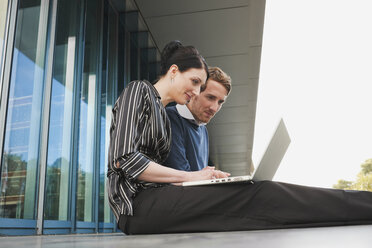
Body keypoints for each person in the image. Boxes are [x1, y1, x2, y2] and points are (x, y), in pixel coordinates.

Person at [107, 40, 372, 235]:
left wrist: (210, 178)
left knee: (257, 201)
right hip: (136, 208)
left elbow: (167, 173)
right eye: (196, 82)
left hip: (158, 201)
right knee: (260, 196)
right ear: (174, 71)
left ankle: (356, 208)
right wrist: (191, 176)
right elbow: (124, 159)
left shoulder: (161, 116)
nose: (196, 91)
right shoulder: (138, 90)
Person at [163, 66, 232, 172]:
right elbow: (181, 175)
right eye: (210, 97)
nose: (214, 108)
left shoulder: (203, 130)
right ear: (194, 92)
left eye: (220, 102)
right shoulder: (170, 118)